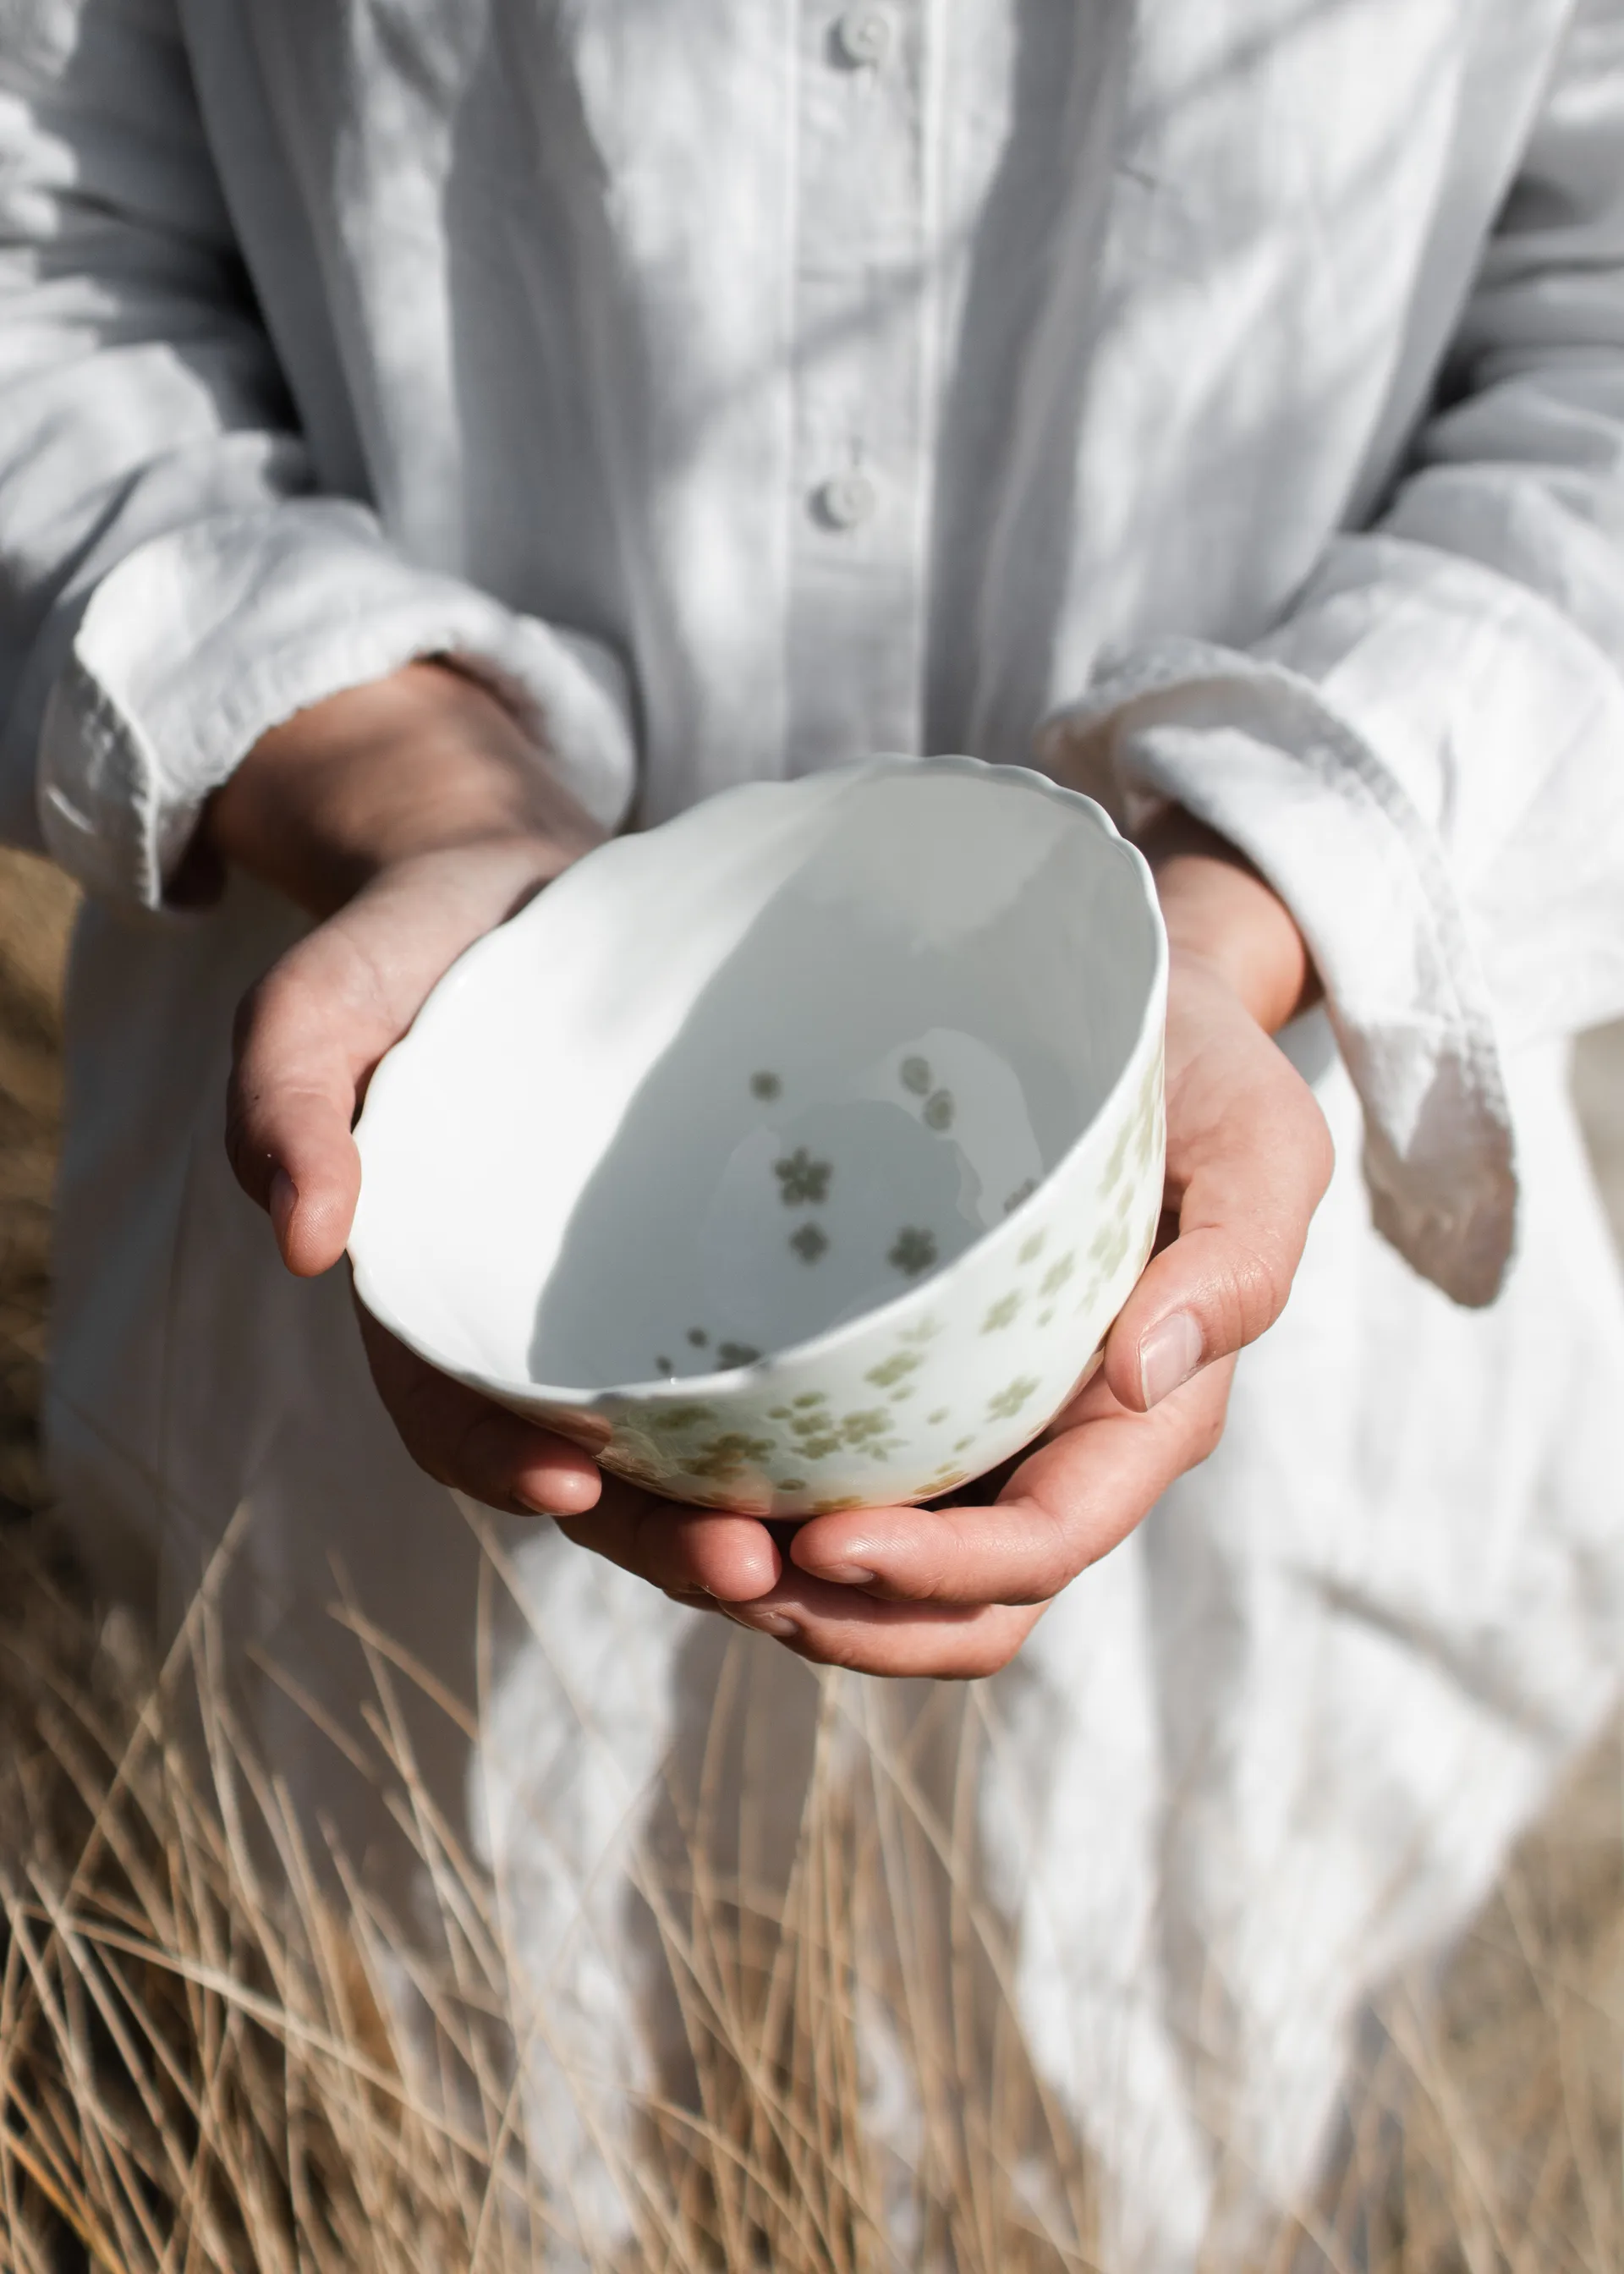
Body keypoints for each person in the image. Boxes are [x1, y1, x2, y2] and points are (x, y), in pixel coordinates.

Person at [3, 0, 1624, 2260]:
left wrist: (1261, 896)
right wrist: (400, 783)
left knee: (1213, 2155)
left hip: (1268, 1542)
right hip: (378, 1474)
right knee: (417, 2134)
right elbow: (40, 226)